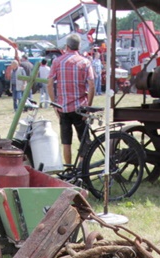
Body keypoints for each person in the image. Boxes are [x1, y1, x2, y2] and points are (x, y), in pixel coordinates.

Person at [51, 33, 94, 166]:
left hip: (63, 107)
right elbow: (91, 85)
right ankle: (82, 167)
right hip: (80, 107)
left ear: (67, 46)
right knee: (84, 140)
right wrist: (89, 106)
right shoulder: (85, 62)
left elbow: (49, 83)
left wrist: (54, 104)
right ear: (79, 46)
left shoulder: (57, 62)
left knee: (66, 142)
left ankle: (69, 168)